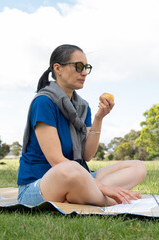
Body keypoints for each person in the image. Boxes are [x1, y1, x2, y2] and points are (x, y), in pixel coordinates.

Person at [17, 44, 147, 207]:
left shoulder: (82, 107)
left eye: (86, 68)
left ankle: (82, 195)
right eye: (78, 67)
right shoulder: (43, 102)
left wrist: (99, 118)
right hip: (39, 185)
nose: (84, 73)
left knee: (137, 167)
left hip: (79, 176)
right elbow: (57, 161)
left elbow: (87, 155)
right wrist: (104, 188)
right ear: (58, 68)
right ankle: (110, 201)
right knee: (71, 169)